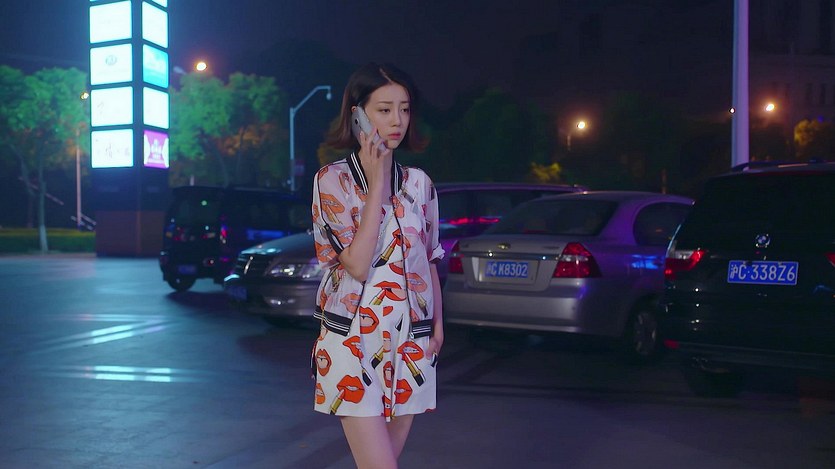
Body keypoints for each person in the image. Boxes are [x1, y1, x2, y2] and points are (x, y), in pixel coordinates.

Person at [310, 62, 444, 469]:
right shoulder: (331, 181)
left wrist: (437, 325)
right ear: (358, 115)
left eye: (404, 109)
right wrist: (377, 182)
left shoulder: (420, 183)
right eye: (384, 110)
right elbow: (355, 263)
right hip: (352, 340)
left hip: (412, 341)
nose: (397, 120)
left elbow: (430, 258)